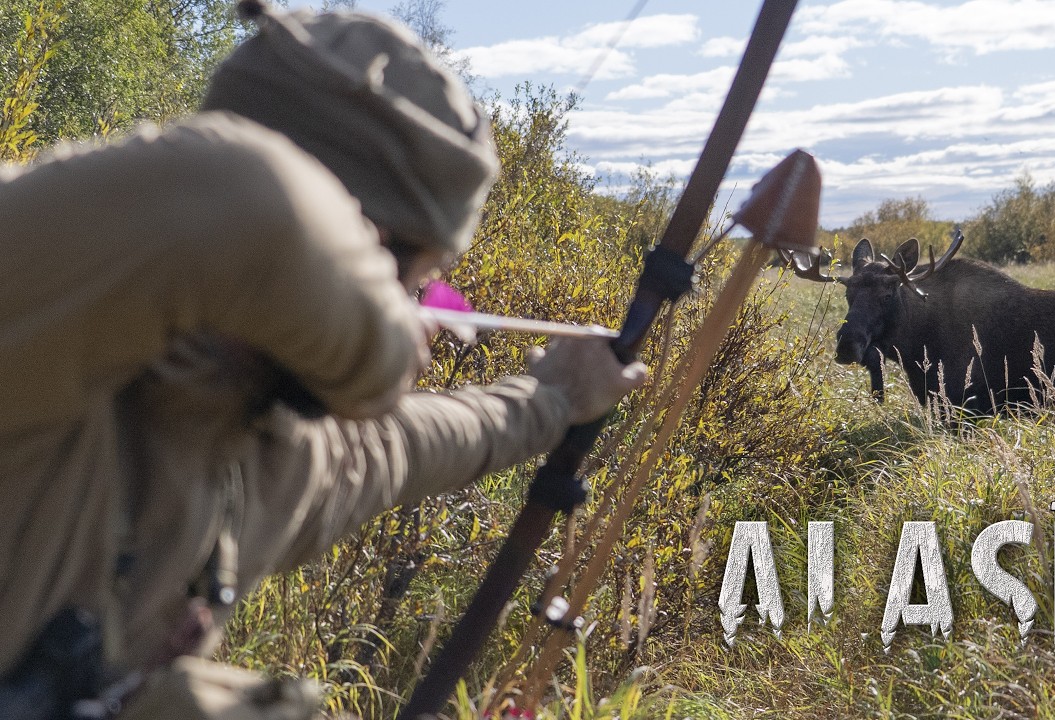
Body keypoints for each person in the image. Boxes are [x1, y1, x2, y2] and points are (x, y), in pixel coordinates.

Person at [0, 2, 646, 717]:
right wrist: (377, 351)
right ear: (355, 249)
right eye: (411, 281)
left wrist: (552, 396)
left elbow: (414, 442)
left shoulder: (270, 450)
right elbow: (247, 190)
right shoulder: (35, 306)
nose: (419, 313)